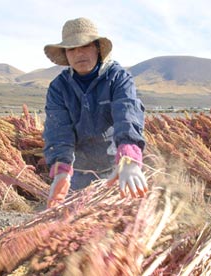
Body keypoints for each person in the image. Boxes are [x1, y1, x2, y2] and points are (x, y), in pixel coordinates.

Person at [43, 17, 148, 208]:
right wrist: (61, 171)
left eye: (85, 46)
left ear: (97, 48)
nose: (79, 53)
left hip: (116, 167)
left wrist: (129, 158)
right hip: (78, 171)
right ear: (65, 54)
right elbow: (58, 131)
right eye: (72, 49)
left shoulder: (117, 77)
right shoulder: (59, 87)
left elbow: (127, 112)